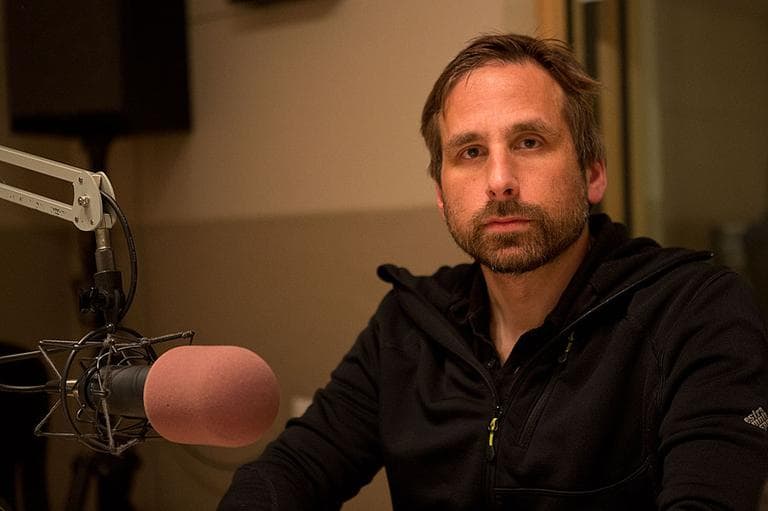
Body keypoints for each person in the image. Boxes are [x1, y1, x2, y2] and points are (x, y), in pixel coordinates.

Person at [218, 33, 768, 510]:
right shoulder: (410, 326)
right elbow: (293, 471)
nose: (500, 180)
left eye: (529, 143)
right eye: (471, 152)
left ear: (592, 174)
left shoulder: (694, 311)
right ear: (440, 194)